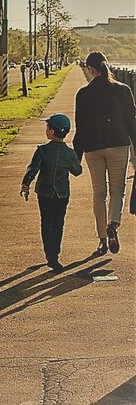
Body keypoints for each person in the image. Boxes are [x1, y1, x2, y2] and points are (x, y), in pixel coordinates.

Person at [73, 51, 136, 256]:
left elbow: (80, 128)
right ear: (107, 66)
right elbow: (132, 123)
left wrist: (76, 157)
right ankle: (113, 224)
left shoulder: (83, 94)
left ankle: (101, 239)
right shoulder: (124, 90)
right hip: (119, 145)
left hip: (93, 148)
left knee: (99, 193)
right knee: (118, 189)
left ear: (91, 69)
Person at [22, 113, 83, 271]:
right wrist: (73, 160)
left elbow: (33, 169)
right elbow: (77, 171)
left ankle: (48, 253)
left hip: (44, 192)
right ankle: (55, 255)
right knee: (58, 223)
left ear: (52, 132)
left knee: (45, 221)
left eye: (47, 127)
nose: (46, 129)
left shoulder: (42, 150)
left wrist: (25, 184)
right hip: (62, 194)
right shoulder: (69, 153)